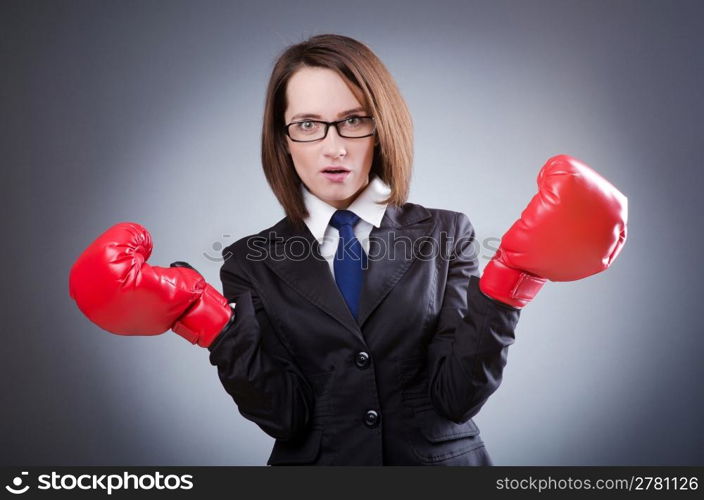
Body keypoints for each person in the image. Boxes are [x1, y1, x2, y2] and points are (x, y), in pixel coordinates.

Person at [69, 34, 628, 466]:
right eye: (308, 124)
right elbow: (285, 417)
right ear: (284, 141)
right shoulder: (248, 260)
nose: (333, 147)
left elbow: (456, 397)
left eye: (353, 120)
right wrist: (207, 320)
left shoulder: (448, 233)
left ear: (381, 129)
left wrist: (513, 282)